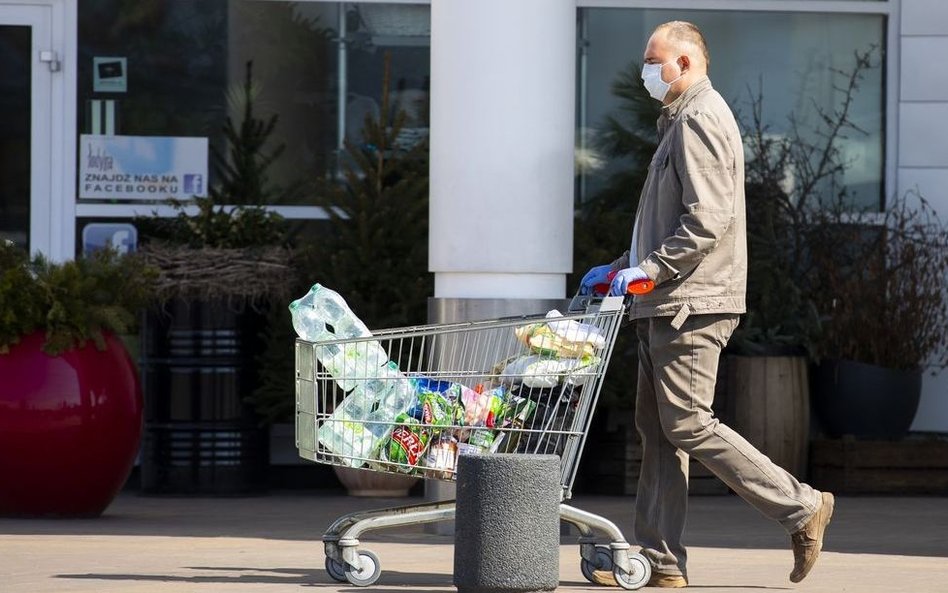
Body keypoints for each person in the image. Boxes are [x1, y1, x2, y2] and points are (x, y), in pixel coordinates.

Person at [580, 21, 834, 588]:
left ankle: (801, 506)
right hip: (664, 302)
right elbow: (672, 222)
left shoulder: (699, 118)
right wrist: (626, 265)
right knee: (660, 431)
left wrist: (649, 270)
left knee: (687, 424)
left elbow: (708, 221)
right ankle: (661, 564)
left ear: (686, 64)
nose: (646, 72)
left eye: (654, 61)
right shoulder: (678, 121)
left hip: (690, 304)